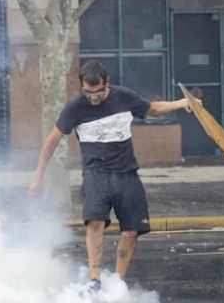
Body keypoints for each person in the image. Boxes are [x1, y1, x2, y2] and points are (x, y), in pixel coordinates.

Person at [27, 60, 197, 291]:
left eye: (98, 92)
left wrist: (184, 102)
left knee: (131, 230)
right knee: (95, 222)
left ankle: (117, 281)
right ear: (82, 86)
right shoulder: (75, 108)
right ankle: (95, 280)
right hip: (96, 174)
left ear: (107, 83)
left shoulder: (124, 97)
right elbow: (51, 141)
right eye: (88, 92)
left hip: (127, 173)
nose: (93, 97)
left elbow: (153, 108)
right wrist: (38, 176)